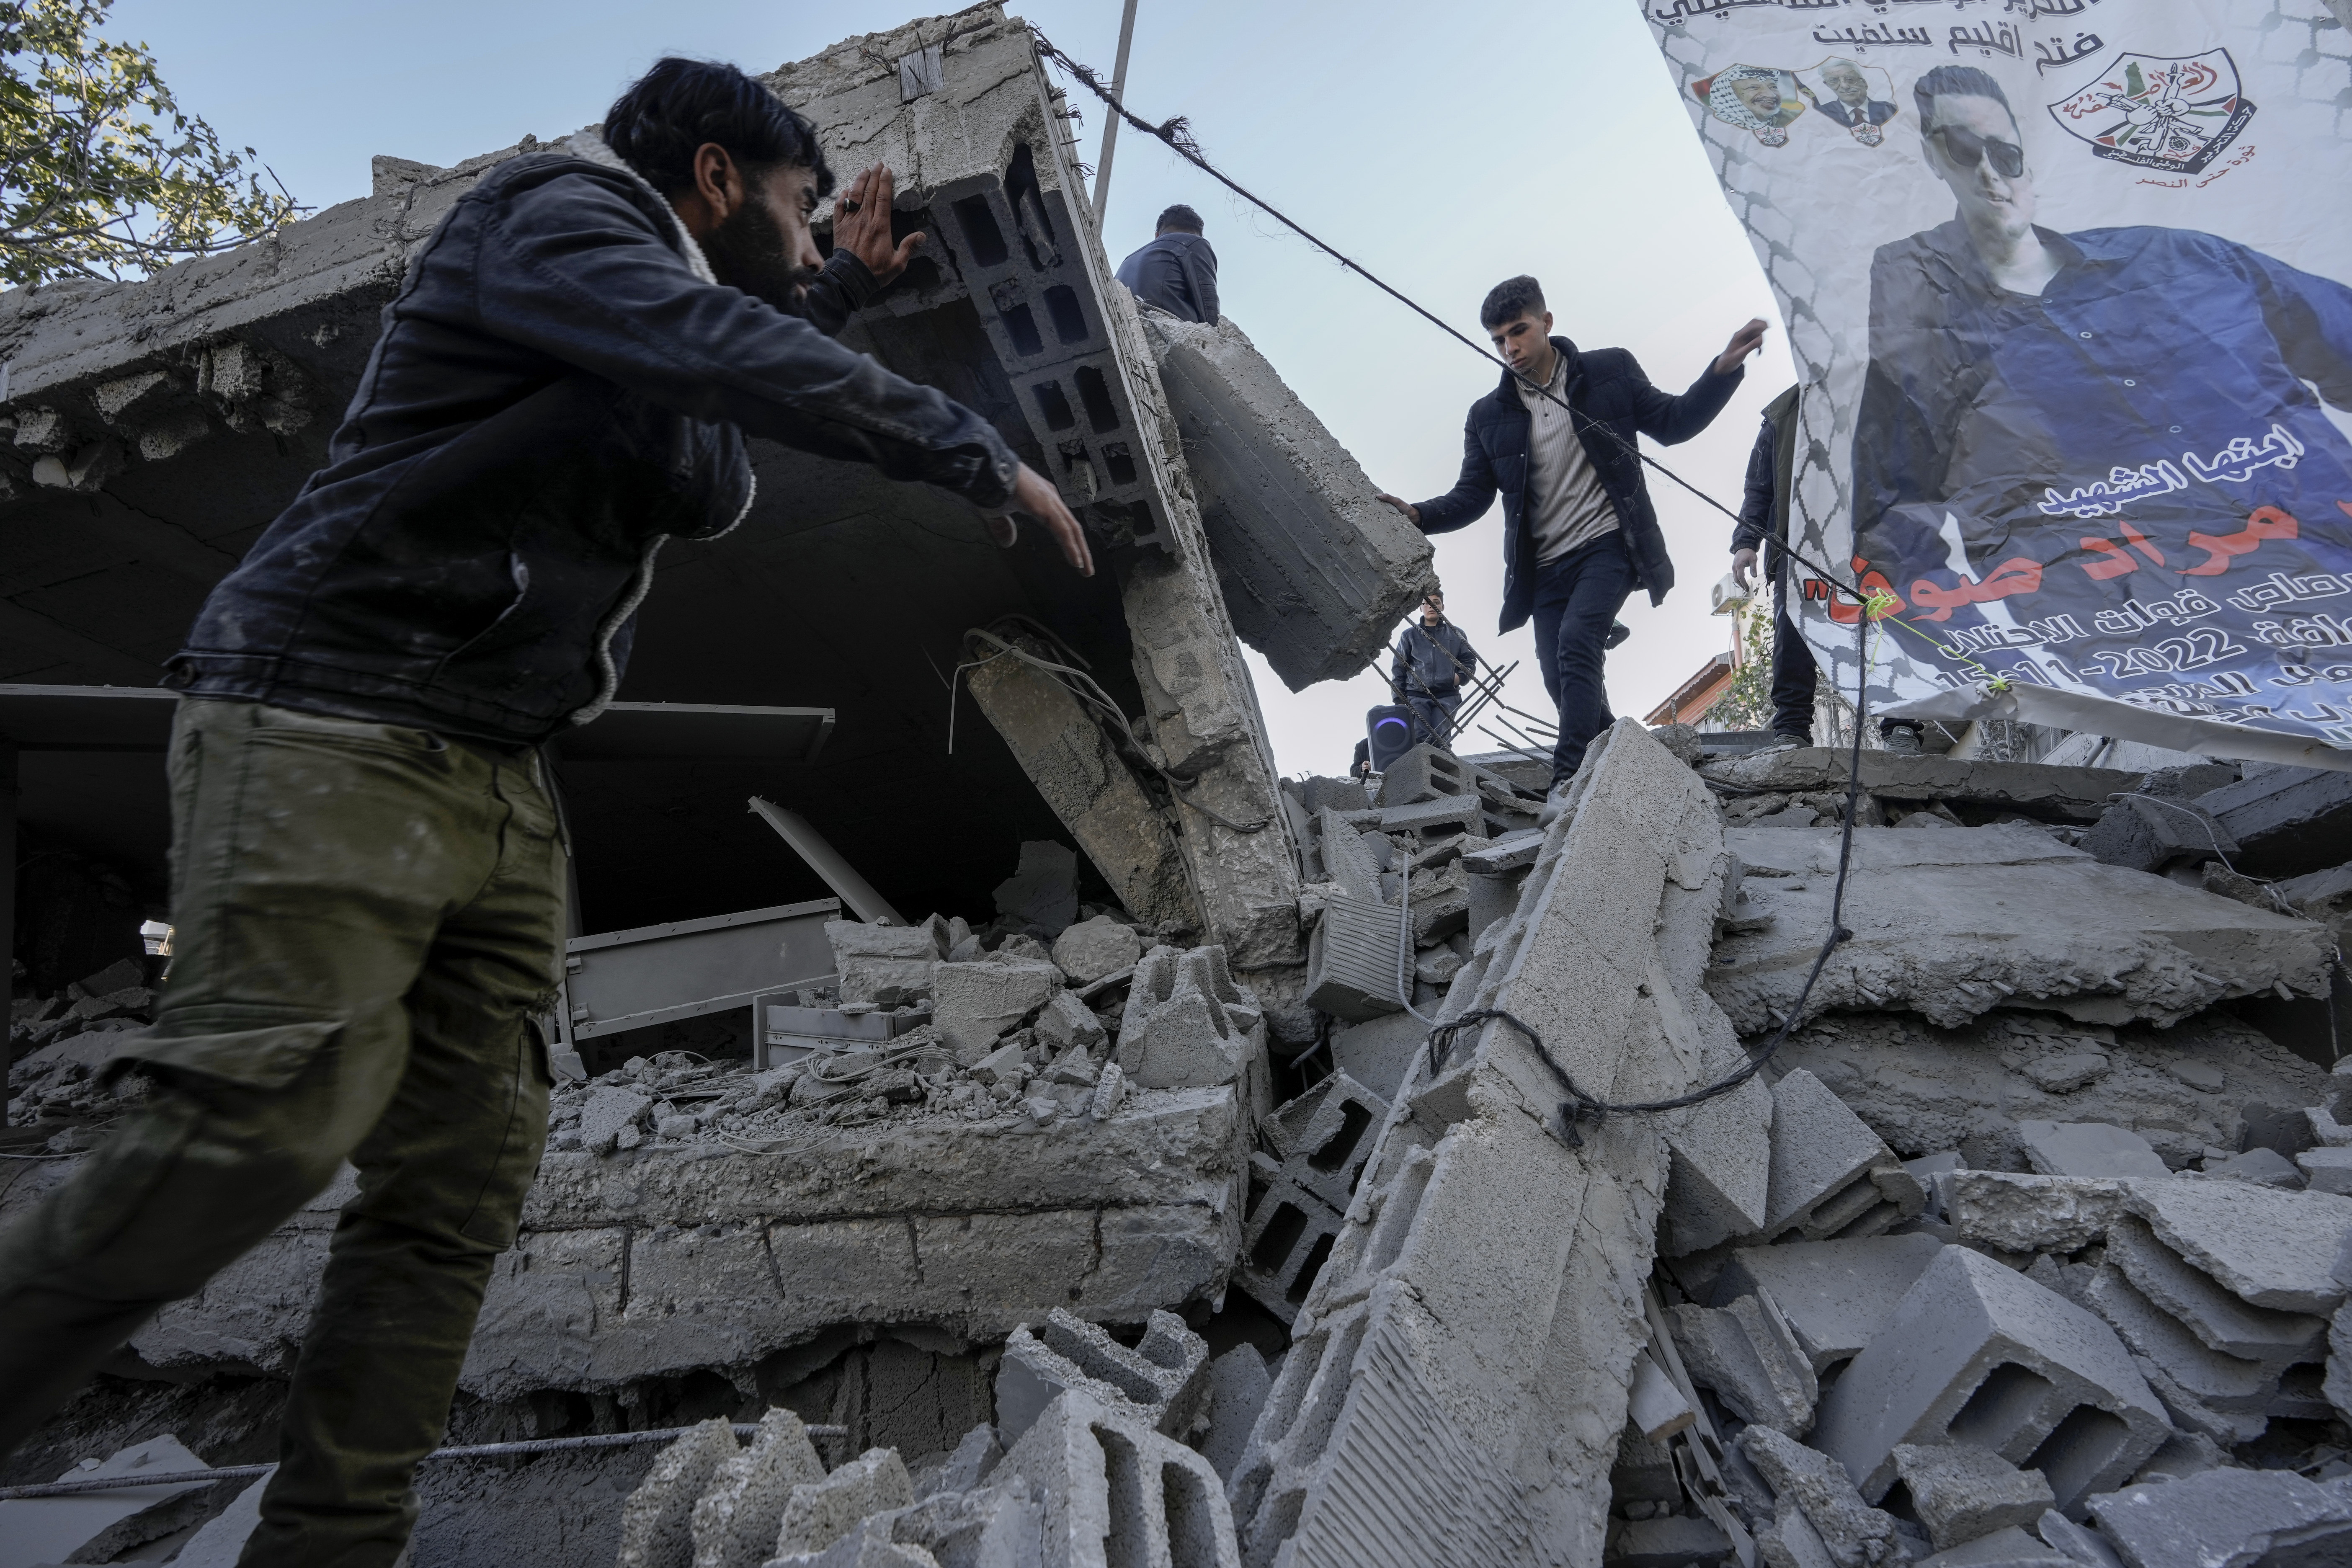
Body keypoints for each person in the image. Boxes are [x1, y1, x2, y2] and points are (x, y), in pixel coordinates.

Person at [0, 58, 1091, 1566]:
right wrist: (966, 446)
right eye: (789, 203)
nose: (802, 225)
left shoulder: (644, 336)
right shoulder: (553, 216)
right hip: (333, 714)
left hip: (494, 772)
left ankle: (329, 1543)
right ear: (713, 181)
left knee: (458, 1179)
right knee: (256, 1134)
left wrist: (829, 283)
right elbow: (704, 342)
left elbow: (703, 389)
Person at [1852, 64, 2352, 703]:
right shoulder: (1923, 346)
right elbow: (1891, 531)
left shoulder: (2184, 260)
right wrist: (1989, 672)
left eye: (2006, 153)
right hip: (2162, 665)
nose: (1990, 172)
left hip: (2330, 582)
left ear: (2030, 159)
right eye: (1964, 149)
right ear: (1933, 157)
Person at [1377, 276, 1765, 813]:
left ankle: (1566, 782)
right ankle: (1640, 768)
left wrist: (1723, 369)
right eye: (1499, 340)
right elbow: (1471, 497)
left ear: (1547, 324)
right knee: (1562, 680)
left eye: (1519, 332)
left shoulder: (1610, 371)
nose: (1510, 348)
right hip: (1545, 570)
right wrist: (1418, 514)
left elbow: (1675, 423)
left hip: (1608, 546)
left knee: (1578, 643)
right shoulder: (1488, 416)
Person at [1731, 385, 1819, 749]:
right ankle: (1792, 728)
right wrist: (1746, 543)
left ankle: (1900, 727)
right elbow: (1759, 488)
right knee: (1793, 632)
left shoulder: (1879, 396)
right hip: (1798, 544)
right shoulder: (1782, 415)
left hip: (1868, 543)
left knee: (1881, 627)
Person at [1391, 588, 1480, 750]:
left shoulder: (1457, 634)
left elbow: (1469, 661)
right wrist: (1399, 700)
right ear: (1421, 608)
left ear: (1443, 607)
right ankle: (1421, 775)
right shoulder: (1409, 635)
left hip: (1447, 696)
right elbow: (1399, 668)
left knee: (1442, 740)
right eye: (1427, 603)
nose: (1432, 606)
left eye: (1436, 602)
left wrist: (1458, 678)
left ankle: (1441, 774)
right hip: (1416, 696)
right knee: (1420, 740)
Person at [1114, 204, 1219, 325]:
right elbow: (1209, 310)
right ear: (1198, 234)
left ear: (1157, 235)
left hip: (1128, 333)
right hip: (1171, 334)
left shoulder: (1127, 261)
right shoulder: (1195, 243)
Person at [1809, 59, 1896, 131]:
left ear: (1865, 83)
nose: (1845, 86)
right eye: (1834, 81)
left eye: (1850, 79)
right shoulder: (1821, 114)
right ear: (1827, 85)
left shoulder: (1891, 110)